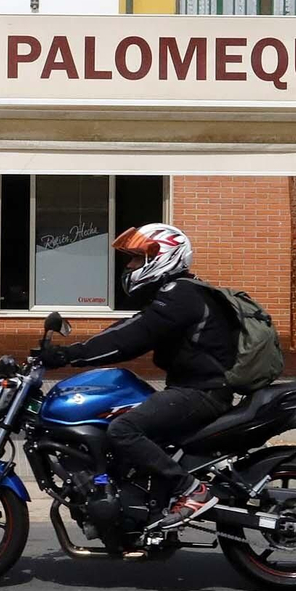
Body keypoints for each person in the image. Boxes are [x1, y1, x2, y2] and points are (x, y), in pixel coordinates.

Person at [35, 223, 237, 526]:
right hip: (194, 389)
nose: (129, 266)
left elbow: (131, 337)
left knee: (122, 429)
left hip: (201, 393)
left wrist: (69, 355)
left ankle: (192, 490)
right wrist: (75, 353)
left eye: (136, 259)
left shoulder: (180, 295)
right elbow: (130, 328)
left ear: (163, 256)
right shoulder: (176, 295)